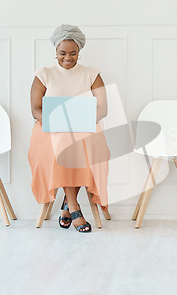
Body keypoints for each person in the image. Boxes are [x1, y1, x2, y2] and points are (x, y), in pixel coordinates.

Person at [28, 24, 110, 233]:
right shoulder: (44, 74)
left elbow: (102, 108)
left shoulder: (92, 73)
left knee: (84, 144)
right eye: (62, 53)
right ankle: (73, 206)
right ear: (55, 52)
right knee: (66, 144)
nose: (68, 58)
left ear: (79, 53)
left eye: (73, 53)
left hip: (84, 128)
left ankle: (67, 204)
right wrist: (52, 123)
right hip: (48, 130)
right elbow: (36, 109)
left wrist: (83, 122)